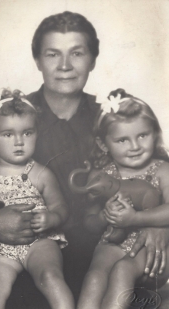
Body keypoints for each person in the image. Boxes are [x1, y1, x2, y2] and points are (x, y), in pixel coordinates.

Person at [0, 11, 169, 308]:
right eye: (53, 54)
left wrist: (159, 224)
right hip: (31, 262)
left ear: (93, 59)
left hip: (110, 258)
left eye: (77, 53)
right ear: (37, 60)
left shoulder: (114, 118)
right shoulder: (11, 118)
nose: (64, 66)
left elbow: (158, 174)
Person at [0, 89, 74, 309]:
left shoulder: (40, 173)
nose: (19, 141)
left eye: (27, 133)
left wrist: (52, 218)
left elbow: (60, 207)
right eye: (8, 134)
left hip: (40, 241)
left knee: (51, 277)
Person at [77, 88, 169, 309]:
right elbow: (89, 223)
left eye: (142, 136)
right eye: (122, 140)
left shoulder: (161, 170)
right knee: (95, 277)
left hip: (153, 248)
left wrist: (134, 219)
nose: (135, 146)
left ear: (155, 133)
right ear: (103, 144)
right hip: (111, 243)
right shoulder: (102, 176)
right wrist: (103, 216)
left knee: (122, 270)